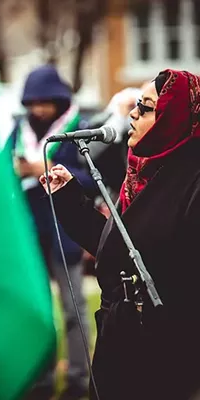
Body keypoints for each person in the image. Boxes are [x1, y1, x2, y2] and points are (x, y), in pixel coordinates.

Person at [39, 69, 200, 400]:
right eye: (136, 104)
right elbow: (119, 248)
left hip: (163, 353)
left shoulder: (192, 182)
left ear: (175, 116)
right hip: (119, 343)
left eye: (147, 107)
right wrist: (70, 199)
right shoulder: (142, 174)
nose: (133, 114)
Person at [7, 64, 94, 399]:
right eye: (33, 102)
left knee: (74, 310)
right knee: (37, 312)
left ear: (59, 101)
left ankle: (77, 379)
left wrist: (41, 168)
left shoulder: (78, 130)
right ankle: (40, 379)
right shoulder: (17, 132)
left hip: (67, 234)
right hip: (29, 235)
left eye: (45, 102)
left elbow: (89, 180)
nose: (38, 109)